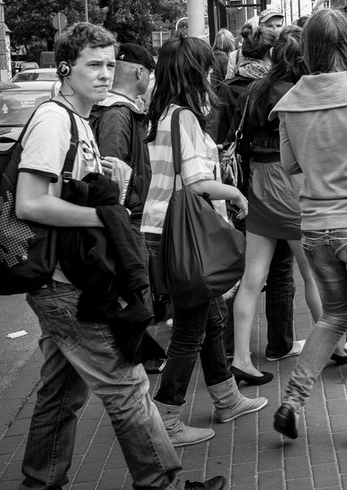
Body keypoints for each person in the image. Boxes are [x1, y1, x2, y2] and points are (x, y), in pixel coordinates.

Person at [15, 23, 225, 489]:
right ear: (65, 68)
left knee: (60, 392)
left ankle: (40, 481)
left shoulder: (79, 119)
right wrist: (103, 219)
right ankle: (162, 482)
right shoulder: (55, 120)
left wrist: (115, 184)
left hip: (66, 280)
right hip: (65, 283)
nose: (105, 73)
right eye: (93, 64)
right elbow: (29, 203)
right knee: (128, 387)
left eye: (110, 64)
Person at [142, 36, 267, 447]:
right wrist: (236, 194)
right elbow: (196, 183)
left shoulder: (160, 114)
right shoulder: (185, 119)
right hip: (183, 236)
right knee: (191, 329)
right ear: (197, 72)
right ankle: (168, 417)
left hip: (163, 230)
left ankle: (227, 399)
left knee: (210, 318)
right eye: (206, 67)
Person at [271, 9, 347, 449]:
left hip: (314, 226)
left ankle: (293, 402)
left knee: (333, 317)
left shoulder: (292, 101)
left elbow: (289, 164)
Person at [229, 26, 336, 387]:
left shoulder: (256, 88)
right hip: (290, 186)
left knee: (251, 279)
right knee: (313, 274)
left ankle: (241, 358)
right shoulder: (298, 93)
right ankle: (334, 346)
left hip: (259, 185)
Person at [89, 43, 155, 230]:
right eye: (149, 74)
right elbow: (113, 171)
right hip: (126, 217)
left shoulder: (112, 108)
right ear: (139, 72)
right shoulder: (118, 112)